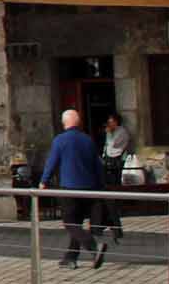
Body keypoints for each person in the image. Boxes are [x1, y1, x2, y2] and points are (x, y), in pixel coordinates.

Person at [38, 108, 107, 269]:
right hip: (89, 188)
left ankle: (93, 247)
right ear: (79, 122)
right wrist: (101, 185)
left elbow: (52, 162)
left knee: (70, 223)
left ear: (64, 123)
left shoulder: (60, 140)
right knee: (77, 223)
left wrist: (44, 181)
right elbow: (97, 165)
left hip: (69, 187)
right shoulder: (88, 140)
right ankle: (70, 258)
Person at [97, 113, 131, 242]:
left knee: (110, 193)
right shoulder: (111, 132)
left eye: (111, 122)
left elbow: (114, 144)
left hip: (116, 164)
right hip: (108, 162)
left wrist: (109, 133)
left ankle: (107, 226)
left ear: (116, 122)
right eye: (108, 122)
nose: (109, 124)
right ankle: (109, 227)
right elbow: (107, 147)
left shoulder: (121, 132)